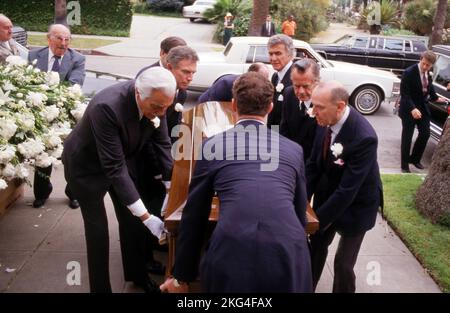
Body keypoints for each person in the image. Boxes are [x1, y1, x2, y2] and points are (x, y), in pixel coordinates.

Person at [160, 72, 312, 293]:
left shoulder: (212, 146)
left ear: (233, 105)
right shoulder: (293, 149)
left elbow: (195, 214)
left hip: (232, 251)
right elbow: (300, 214)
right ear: (270, 107)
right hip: (288, 252)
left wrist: (181, 277)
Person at [62, 67, 176, 293]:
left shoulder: (158, 102)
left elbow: (162, 144)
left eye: (166, 107)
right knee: (99, 233)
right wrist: (147, 216)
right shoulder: (107, 106)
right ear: (138, 93)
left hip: (121, 160)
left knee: (132, 223)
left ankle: (137, 275)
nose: (162, 113)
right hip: (86, 168)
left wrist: (170, 188)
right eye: (156, 107)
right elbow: (113, 167)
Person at [306, 81, 383, 293]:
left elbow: (348, 190)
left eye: (319, 107)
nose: (314, 112)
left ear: (339, 107)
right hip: (329, 191)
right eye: (313, 105)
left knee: (343, 264)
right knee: (316, 247)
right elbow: (313, 165)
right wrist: (302, 202)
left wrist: (317, 221)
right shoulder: (323, 120)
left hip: (358, 204)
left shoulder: (365, 137)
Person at [136, 46, 198, 276]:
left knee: (159, 204)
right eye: (185, 72)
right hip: (143, 158)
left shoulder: (179, 91)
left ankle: (156, 241)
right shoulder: (151, 81)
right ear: (170, 68)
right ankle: (143, 261)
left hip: (162, 154)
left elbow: (170, 129)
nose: (190, 77)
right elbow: (150, 136)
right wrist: (162, 172)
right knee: (148, 208)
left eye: (193, 72)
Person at [28, 24, 86, 209]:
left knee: (71, 155)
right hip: (40, 113)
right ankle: (42, 193)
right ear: (49, 38)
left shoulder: (78, 58)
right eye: (59, 38)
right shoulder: (34, 55)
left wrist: (46, 94)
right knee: (42, 153)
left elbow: (73, 85)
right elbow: (28, 82)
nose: (64, 43)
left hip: (66, 114)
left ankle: (73, 193)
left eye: (67, 39)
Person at [399, 50, 446, 173]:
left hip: (423, 108)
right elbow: (405, 94)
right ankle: (404, 165)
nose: (425, 67)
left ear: (432, 65)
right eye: (423, 64)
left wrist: (436, 98)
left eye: (428, 65)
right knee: (407, 137)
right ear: (421, 59)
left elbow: (429, 86)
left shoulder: (428, 73)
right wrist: (412, 109)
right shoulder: (408, 73)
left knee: (425, 133)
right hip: (409, 108)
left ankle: (414, 159)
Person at [280, 58, 319, 163]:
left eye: (306, 86)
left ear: (316, 82)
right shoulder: (288, 94)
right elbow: (284, 128)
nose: (300, 92)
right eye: (296, 86)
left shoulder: (324, 102)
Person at [197, 62, 270, 104]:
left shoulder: (259, 89)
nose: (263, 82)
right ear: (251, 74)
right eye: (261, 78)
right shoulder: (226, 83)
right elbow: (211, 105)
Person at [267, 34, 295, 128]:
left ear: (290, 54)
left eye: (278, 53)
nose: (273, 58)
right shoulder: (275, 76)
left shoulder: (296, 78)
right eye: (271, 54)